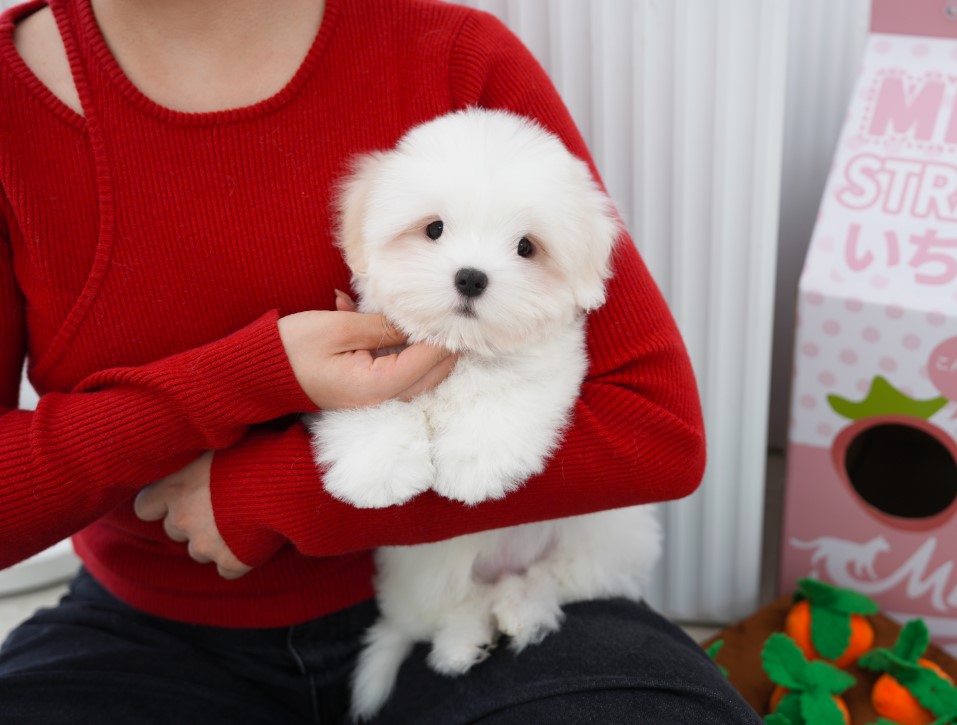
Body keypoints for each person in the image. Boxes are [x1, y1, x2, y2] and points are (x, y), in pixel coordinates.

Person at [0, 0, 762, 722]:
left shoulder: (455, 56)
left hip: (479, 577)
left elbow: (656, 428)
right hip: (151, 629)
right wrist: (243, 378)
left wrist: (282, 494)